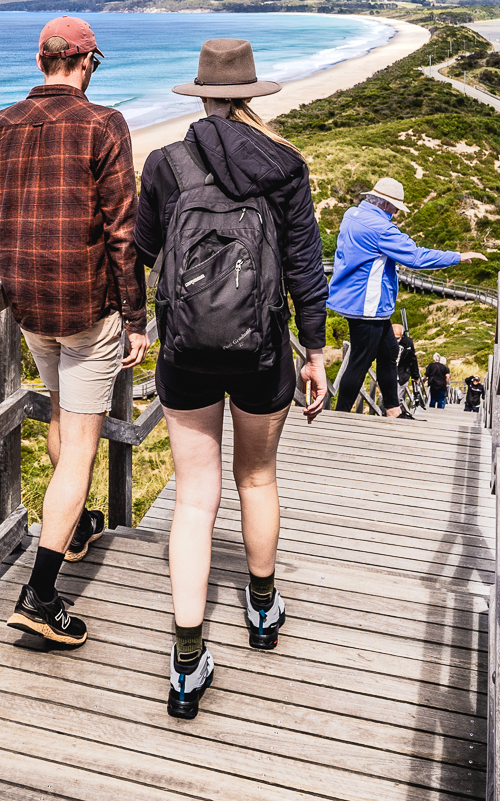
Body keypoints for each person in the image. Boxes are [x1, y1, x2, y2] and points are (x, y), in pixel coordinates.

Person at [135, 38, 329, 720]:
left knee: (194, 498)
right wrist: (316, 352)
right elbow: (306, 266)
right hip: (262, 351)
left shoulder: (165, 163)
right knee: (257, 479)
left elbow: (139, 254)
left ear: (202, 95)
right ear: (250, 95)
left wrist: (137, 326)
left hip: (185, 353)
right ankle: (262, 605)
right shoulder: (284, 164)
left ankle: (187, 660)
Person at [0, 15, 147, 649]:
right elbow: (122, 234)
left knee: (59, 413)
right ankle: (42, 593)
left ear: (40, 61)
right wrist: (135, 318)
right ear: (87, 63)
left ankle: (71, 530)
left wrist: (23, 263)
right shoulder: (104, 124)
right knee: (80, 446)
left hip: (29, 307)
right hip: (88, 309)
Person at [327, 177, 485, 415]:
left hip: (353, 297)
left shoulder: (353, 214)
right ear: (383, 203)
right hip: (367, 304)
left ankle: (393, 408)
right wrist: (457, 257)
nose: (397, 213)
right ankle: (339, 416)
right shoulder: (381, 229)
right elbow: (416, 258)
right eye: (395, 207)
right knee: (359, 361)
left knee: (389, 351)